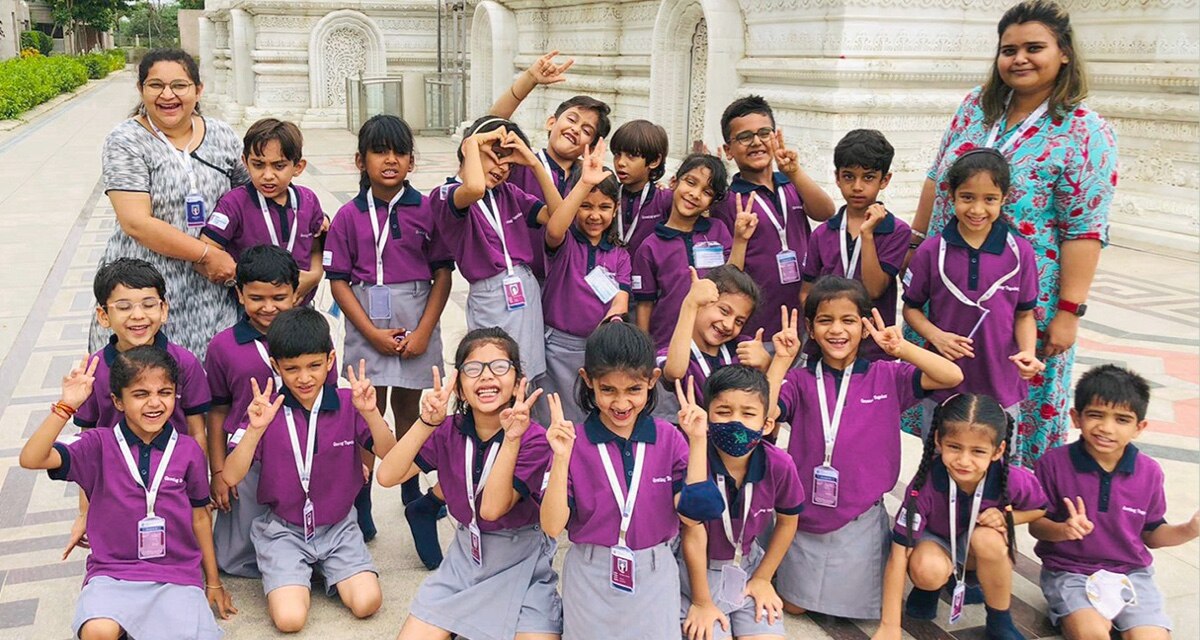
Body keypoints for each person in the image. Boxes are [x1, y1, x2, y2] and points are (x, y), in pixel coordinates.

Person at [904, 0, 1118, 466]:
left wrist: (1067, 311)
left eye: (1034, 48)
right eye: (1009, 49)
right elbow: (935, 178)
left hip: (1020, 303)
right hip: (948, 290)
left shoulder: (1083, 130)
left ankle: (997, 516)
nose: (1019, 59)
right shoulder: (974, 111)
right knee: (945, 400)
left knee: (1007, 418)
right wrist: (916, 242)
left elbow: (1084, 228)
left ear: (1063, 53)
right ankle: (938, 501)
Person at [766, 277, 963, 619]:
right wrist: (781, 362)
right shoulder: (799, 380)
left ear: (865, 326)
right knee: (794, 607)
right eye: (825, 321)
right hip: (804, 517)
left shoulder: (888, 376)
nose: (837, 330)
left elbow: (951, 376)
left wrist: (903, 349)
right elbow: (765, 417)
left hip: (859, 519)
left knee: (853, 610)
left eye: (848, 320)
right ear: (810, 329)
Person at [19, 348, 234, 640]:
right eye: (141, 394)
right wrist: (65, 407)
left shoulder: (188, 450)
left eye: (165, 392)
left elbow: (199, 518)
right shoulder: (97, 444)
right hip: (113, 572)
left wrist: (213, 581)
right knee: (97, 631)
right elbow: (31, 458)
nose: (155, 403)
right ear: (118, 401)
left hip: (175, 574)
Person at [540, 320, 722, 639]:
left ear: (652, 381)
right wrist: (561, 458)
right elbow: (552, 527)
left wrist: (698, 442)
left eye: (633, 390)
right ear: (588, 380)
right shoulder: (572, 442)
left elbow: (695, 515)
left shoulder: (670, 439)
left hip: (655, 573)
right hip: (591, 575)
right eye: (608, 389)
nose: (621, 404)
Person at [378, 328, 561, 640]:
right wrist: (427, 423)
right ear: (460, 388)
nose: (487, 377)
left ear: (519, 382)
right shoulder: (449, 429)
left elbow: (491, 509)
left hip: (520, 559)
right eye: (473, 369)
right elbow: (388, 476)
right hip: (465, 559)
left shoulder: (534, 439)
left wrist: (512, 439)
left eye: (500, 367)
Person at [221, 308, 397, 632]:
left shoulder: (348, 402)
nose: (304, 378)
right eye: (292, 368)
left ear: (330, 360)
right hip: (283, 530)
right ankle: (298, 569)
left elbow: (390, 453)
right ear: (276, 366)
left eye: (314, 366)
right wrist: (255, 431)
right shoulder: (266, 409)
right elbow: (231, 476)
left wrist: (370, 413)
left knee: (367, 603)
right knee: (290, 620)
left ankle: (317, 568)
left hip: (338, 527)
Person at [326, 114, 454, 510]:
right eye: (380, 151)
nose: (391, 160)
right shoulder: (349, 215)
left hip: (416, 316)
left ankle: (409, 492)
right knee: (369, 407)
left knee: (408, 406)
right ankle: (360, 499)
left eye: (400, 152)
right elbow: (338, 281)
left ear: (412, 162)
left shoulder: (427, 209)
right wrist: (370, 333)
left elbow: (443, 274)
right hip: (369, 320)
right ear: (360, 160)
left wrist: (423, 331)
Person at [97, 48, 249, 360]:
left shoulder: (223, 135)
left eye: (179, 85)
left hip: (212, 292)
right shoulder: (126, 140)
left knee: (211, 389)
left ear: (198, 89)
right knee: (146, 390)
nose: (168, 95)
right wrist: (208, 255)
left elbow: (253, 196)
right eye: (155, 85)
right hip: (144, 293)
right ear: (141, 90)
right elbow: (136, 222)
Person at [1031, 365, 1200, 639]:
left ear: (1139, 427)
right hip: (1070, 572)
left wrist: (1191, 529)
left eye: (1122, 419)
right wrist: (1063, 530)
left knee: (1151, 637)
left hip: (1131, 574)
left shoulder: (1150, 472)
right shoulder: (1053, 464)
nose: (1106, 428)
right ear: (1076, 417)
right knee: (1092, 633)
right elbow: (1036, 525)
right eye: (1096, 415)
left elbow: (1152, 534)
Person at [205, 245, 337, 577]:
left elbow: (331, 397)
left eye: (278, 297)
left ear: (296, 294)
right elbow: (218, 411)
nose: (268, 307)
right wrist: (218, 471)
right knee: (237, 555)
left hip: (305, 454)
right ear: (239, 294)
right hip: (247, 457)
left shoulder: (314, 336)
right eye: (257, 298)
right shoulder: (223, 346)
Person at [875, 394, 1049, 640]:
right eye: (954, 447)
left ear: (998, 450)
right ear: (938, 440)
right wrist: (890, 626)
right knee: (928, 569)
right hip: (936, 541)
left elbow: (1041, 509)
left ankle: (999, 618)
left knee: (990, 540)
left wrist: (1007, 518)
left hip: (974, 548)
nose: (964, 461)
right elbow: (899, 553)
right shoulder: (925, 483)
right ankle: (930, 588)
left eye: (978, 451)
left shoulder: (1012, 478)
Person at [904, 149, 1044, 441]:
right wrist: (937, 337)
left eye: (989, 199)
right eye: (967, 197)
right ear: (952, 196)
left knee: (997, 467)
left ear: (1004, 199)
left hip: (1000, 386)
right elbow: (911, 309)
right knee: (940, 461)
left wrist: (1028, 352)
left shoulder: (1020, 253)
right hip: (943, 383)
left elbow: (1024, 315)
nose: (977, 209)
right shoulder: (932, 251)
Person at [429, 115, 565, 383]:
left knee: (527, 378)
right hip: (490, 295)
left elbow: (558, 217)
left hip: (524, 288)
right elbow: (475, 187)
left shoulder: (509, 193)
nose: (502, 166)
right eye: (495, 154)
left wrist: (535, 164)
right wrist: (471, 144)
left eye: (509, 160)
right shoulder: (446, 194)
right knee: (495, 375)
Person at [679, 365, 804, 640]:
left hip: (746, 568)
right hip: (695, 575)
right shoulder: (692, 460)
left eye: (748, 414)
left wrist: (762, 577)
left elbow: (787, 522)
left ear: (767, 423)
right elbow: (692, 533)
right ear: (708, 416)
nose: (736, 423)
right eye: (724, 412)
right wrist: (702, 602)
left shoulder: (779, 465)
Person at [714, 96, 835, 348]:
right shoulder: (728, 201)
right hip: (756, 328)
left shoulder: (791, 184)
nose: (756, 142)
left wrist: (794, 172)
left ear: (775, 136)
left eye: (764, 133)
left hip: (801, 321)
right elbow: (725, 272)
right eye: (744, 137)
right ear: (728, 150)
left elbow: (825, 211)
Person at [488, 50, 612, 281]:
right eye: (572, 120)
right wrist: (529, 80)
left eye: (586, 131)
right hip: (521, 278)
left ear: (593, 146)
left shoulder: (590, 181)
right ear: (551, 122)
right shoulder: (520, 161)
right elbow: (490, 125)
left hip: (570, 283)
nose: (576, 129)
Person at [540, 140, 631, 424]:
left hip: (598, 349)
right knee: (553, 418)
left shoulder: (619, 254)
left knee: (590, 418)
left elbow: (621, 297)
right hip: (556, 348)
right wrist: (584, 184)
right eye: (586, 206)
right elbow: (555, 228)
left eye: (604, 207)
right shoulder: (565, 243)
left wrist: (614, 320)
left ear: (615, 209)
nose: (595, 215)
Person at [801, 129, 910, 362]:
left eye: (868, 177)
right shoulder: (822, 233)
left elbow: (874, 290)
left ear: (885, 180)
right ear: (837, 177)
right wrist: (821, 327)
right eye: (849, 176)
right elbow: (805, 292)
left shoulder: (897, 231)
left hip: (872, 351)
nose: (858, 186)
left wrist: (867, 235)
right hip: (826, 348)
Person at [201, 118, 326, 305]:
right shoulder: (234, 203)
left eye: (279, 166)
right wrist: (251, 282)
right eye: (258, 165)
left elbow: (316, 245)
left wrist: (315, 276)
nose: (268, 175)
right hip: (251, 312)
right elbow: (207, 249)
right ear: (245, 162)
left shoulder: (308, 201)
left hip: (299, 310)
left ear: (298, 167)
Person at [633, 154, 751, 349]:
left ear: (712, 201)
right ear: (674, 182)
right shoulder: (650, 247)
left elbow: (733, 280)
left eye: (706, 191)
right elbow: (645, 306)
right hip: (667, 345)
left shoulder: (718, 230)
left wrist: (740, 239)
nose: (695, 194)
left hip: (711, 344)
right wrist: (644, 353)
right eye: (690, 182)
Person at [657, 265, 768, 423]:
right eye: (724, 311)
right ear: (702, 303)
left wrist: (766, 365)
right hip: (695, 443)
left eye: (739, 321)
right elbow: (675, 372)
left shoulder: (743, 349)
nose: (729, 325)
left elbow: (767, 404)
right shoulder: (674, 354)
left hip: (739, 441)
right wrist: (690, 304)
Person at [609, 119, 673, 254]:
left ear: (654, 161)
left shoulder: (665, 199)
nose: (620, 162)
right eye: (617, 154)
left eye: (631, 156)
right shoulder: (609, 194)